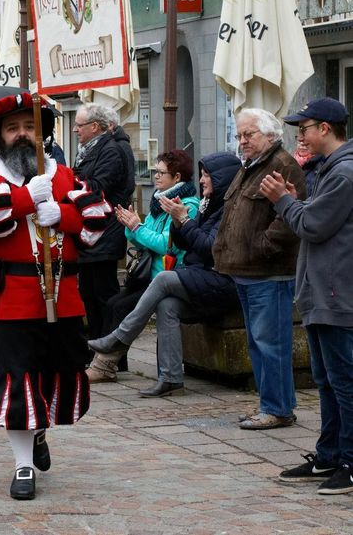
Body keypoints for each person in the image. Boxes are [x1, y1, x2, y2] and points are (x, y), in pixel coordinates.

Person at [0, 92, 111, 500]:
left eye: (30, 126)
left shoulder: (65, 176)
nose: (22, 134)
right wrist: (28, 198)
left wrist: (65, 214)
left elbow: (100, 218)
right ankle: (22, 466)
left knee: (56, 371)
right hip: (8, 297)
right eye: (13, 128)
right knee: (17, 375)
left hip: (63, 295)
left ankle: (38, 430)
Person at [88, 152, 241, 396]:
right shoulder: (190, 204)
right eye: (201, 175)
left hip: (218, 280)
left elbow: (205, 248)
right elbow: (175, 241)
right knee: (165, 305)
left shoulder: (219, 208)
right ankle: (170, 379)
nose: (202, 181)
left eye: (207, 176)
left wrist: (182, 220)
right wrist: (136, 227)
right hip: (189, 276)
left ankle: (117, 341)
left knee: (159, 283)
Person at [263, 98, 353, 495]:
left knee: (344, 381)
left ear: (327, 129)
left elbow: (313, 226)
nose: (300, 134)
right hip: (322, 291)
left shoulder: (343, 174)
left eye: (306, 126)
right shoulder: (327, 170)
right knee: (327, 381)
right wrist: (290, 199)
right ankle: (330, 454)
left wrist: (283, 201)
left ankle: (349, 461)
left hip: (337, 292)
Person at [213, 108, 305, 431]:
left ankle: (278, 408)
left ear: (269, 135)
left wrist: (262, 247)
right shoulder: (249, 167)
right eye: (239, 135)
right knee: (258, 342)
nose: (242, 141)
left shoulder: (282, 165)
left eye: (248, 134)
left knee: (272, 343)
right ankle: (271, 403)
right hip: (246, 271)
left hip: (269, 271)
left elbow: (290, 219)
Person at [90, 150, 200, 382]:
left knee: (122, 307)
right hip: (150, 275)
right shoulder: (160, 202)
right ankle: (112, 365)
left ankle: (104, 367)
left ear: (177, 177)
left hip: (168, 276)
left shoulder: (185, 205)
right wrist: (132, 226)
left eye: (161, 173)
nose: (156, 177)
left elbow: (165, 245)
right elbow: (143, 234)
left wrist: (138, 228)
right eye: (155, 172)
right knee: (113, 302)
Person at [70, 104, 135, 344]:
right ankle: (96, 346)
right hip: (93, 231)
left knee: (103, 294)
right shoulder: (90, 150)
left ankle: (110, 351)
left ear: (94, 127)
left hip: (106, 230)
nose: (75, 129)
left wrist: (70, 185)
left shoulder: (111, 150)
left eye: (79, 125)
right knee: (89, 292)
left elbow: (97, 187)